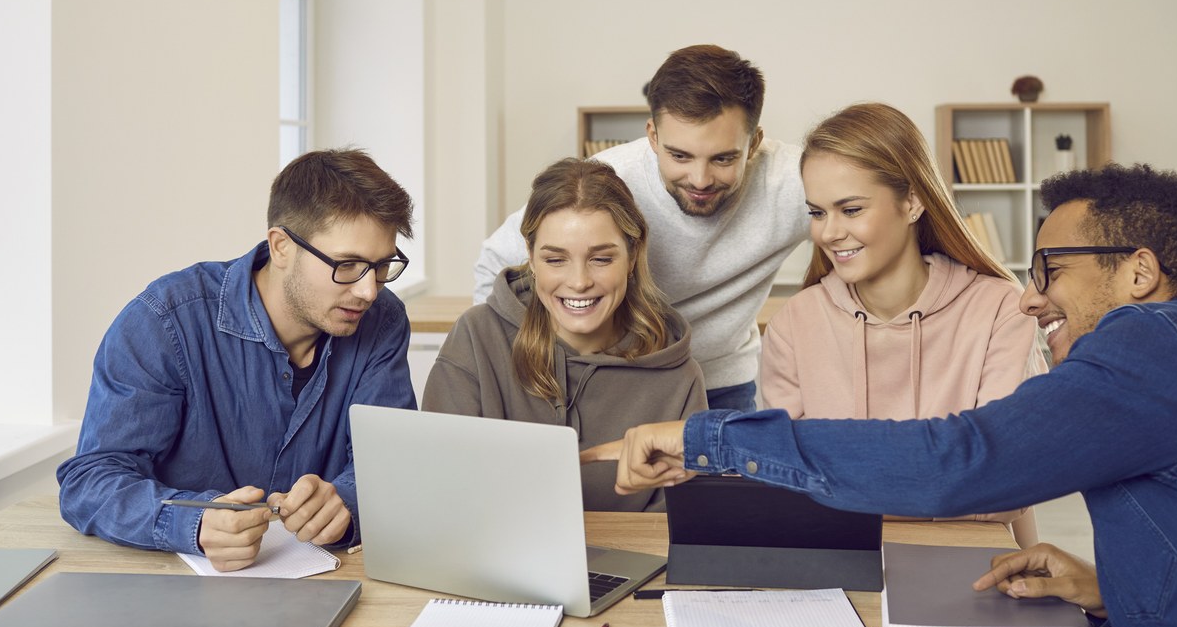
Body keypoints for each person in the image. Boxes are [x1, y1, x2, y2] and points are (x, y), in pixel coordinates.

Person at [606, 163, 1177, 627]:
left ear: (1140, 271)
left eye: (1051, 270)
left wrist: (711, 438)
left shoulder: (1153, 343)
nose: (1030, 299)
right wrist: (1114, 593)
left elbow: (960, 461)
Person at [58, 149, 418, 571]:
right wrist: (191, 523)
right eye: (347, 265)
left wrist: (346, 502)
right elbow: (91, 481)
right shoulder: (165, 321)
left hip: (329, 586)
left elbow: (393, 465)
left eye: (380, 266)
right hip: (175, 593)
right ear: (281, 246)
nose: (368, 292)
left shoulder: (383, 321)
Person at [762, 103, 1044, 546]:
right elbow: (789, 481)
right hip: (838, 559)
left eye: (851, 209)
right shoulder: (795, 324)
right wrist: (942, 476)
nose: (829, 233)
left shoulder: (1000, 310)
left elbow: (1005, 481)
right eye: (817, 213)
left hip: (970, 560)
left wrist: (850, 483)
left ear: (912, 201)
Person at [473, 44, 808, 412]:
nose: (700, 179)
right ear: (652, 136)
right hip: (623, 382)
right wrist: (517, 370)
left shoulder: (794, 180)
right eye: (679, 156)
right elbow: (497, 259)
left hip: (722, 384)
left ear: (754, 142)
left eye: (723, 158)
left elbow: (874, 207)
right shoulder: (612, 179)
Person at [425, 158, 706, 511]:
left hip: (633, 563)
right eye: (555, 260)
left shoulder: (679, 377)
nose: (578, 282)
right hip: (492, 561)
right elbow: (440, 492)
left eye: (601, 259)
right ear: (530, 256)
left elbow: (679, 526)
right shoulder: (476, 338)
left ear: (633, 255)